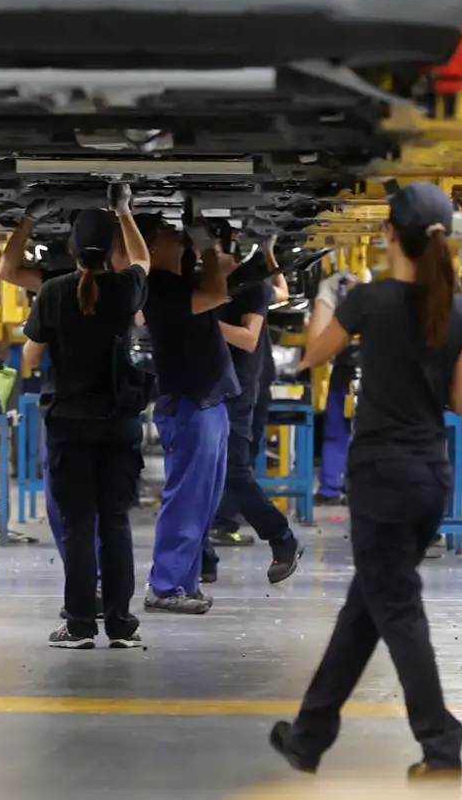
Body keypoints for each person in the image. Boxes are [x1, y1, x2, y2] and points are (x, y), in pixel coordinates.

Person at [269, 182, 462, 780]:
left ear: (390, 234)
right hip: (430, 478)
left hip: (382, 478)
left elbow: (312, 354)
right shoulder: (460, 310)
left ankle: (442, 746)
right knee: (368, 606)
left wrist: (327, 301)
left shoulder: (368, 300)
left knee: (398, 610)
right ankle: (308, 737)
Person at [21, 188, 151, 648]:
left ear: (73, 249)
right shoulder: (125, 287)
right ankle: (120, 626)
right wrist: (125, 210)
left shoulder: (55, 292)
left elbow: (30, 359)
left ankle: (79, 625)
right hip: (118, 424)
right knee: (114, 523)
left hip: (69, 426)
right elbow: (143, 260)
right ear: (111, 249)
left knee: (78, 527)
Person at [138, 215, 237, 615]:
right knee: (185, 501)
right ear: (150, 248)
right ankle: (163, 586)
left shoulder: (177, 282)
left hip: (209, 403)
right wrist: (210, 251)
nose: (175, 235)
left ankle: (184, 582)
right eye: (165, 233)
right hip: (189, 405)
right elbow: (216, 294)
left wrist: (216, 251)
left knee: (203, 503)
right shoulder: (156, 289)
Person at [199, 243, 302, 586]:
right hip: (202, 390)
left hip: (237, 394)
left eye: (215, 250)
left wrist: (198, 323)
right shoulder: (197, 283)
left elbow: (248, 337)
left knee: (234, 471)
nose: (209, 256)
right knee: (196, 478)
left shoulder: (251, 286)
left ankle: (282, 538)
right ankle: (202, 559)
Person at [310, 266, 361, 505]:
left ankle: (336, 487)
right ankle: (334, 487)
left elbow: (317, 349)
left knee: (342, 433)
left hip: (351, 373)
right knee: (339, 431)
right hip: (349, 373)